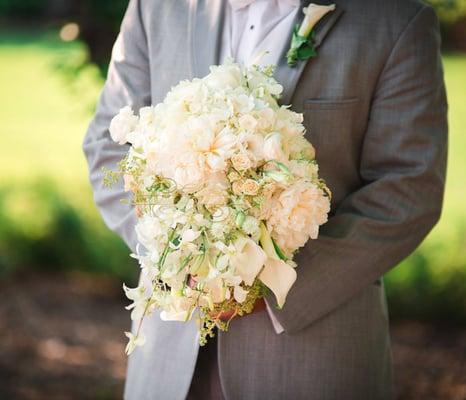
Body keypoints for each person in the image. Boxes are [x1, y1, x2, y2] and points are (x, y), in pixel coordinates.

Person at [83, 0, 448, 399]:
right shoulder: (158, 8)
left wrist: (269, 284)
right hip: (166, 361)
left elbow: (408, 187)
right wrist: (182, 258)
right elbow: (109, 147)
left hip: (312, 362)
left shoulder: (395, 21)